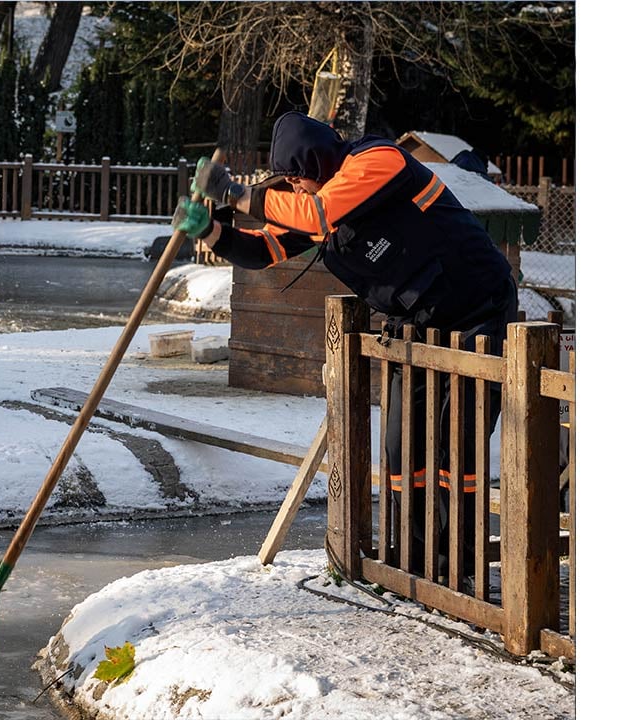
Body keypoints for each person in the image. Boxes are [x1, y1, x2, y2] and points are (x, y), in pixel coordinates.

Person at [174, 111, 518, 583]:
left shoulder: (377, 160)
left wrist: (236, 193)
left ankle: (460, 569)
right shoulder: (317, 200)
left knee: (454, 450)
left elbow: (319, 212)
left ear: (317, 163)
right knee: (402, 451)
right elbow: (263, 251)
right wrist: (211, 233)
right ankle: (412, 566)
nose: (294, 191)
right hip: (417, 326)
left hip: (477, 310)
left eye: (297, 179)